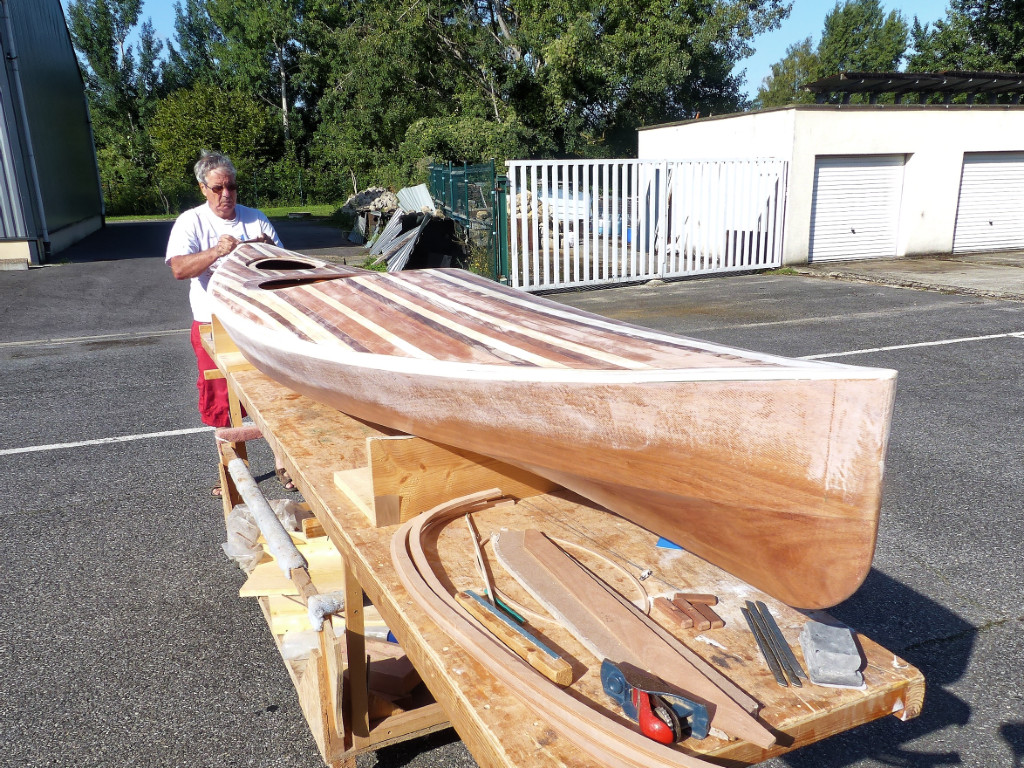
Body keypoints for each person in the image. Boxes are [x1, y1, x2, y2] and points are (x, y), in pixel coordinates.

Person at [166, 150, 295, 495]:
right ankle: (233, 476)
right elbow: (179, 268)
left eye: (232, 187)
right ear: (203, 188)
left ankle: (285, 465)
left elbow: (286, 268)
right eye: (218, 188)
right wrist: (216, 252)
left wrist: (269, 252)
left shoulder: (256, 219)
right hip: (213, 325)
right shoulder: (190, 222)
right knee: (223, 404)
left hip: (258, 322)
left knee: (276, 394)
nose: (227, 195)